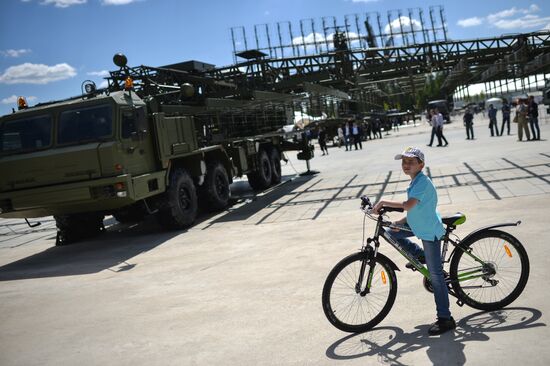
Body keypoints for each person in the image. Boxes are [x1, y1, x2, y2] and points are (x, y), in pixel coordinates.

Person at [373, 147, 455, 336]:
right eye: (404, 162)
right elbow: (415, 210)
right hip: (418, 225)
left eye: (411, 161)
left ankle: (445, 319)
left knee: (436, 277)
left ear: (421, 165)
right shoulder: (415, 181)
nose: (406, 165)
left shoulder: (422, 183)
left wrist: (384, 202)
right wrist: (399, 223)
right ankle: (420, 255)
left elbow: (408, 205)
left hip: (428, 231)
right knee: (390, 232)